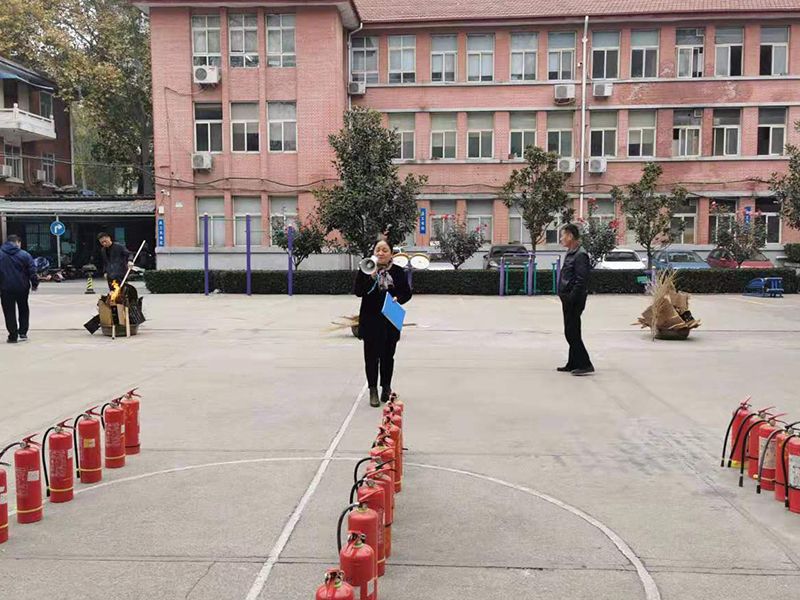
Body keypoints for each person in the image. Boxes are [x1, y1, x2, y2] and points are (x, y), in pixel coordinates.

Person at [354, 240, 412, 407]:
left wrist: (398, 298)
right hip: (370, 319)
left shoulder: (397, 271)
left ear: (391, 253)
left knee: (388, 356)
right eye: (377, 250)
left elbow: (407, 293)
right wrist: (371, 277)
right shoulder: (365, 269)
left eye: (384, 250)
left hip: (390, 320)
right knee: (371, 357)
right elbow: (358, 291)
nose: (380, 253)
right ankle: (372, 390)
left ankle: (386, 387)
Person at [557, 224, 594, 376]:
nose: (561, 239)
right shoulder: (572, 252)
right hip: (567, 298)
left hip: (574, 299)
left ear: (570, 236)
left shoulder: (580, 255)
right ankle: (572, 363)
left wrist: (572, 297)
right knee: (571, 331)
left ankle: (585, 364)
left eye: (563, 235)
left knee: (572, 332)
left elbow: (581, 280)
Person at [0, 235, 38, 343]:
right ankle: (23, 333)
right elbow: (32, 271)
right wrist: (34, 284)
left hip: (5, 288)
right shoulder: (24, 255)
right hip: (22, 287)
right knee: (23, 309)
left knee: (9, 311)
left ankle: (13, 335)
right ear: (17, 242)